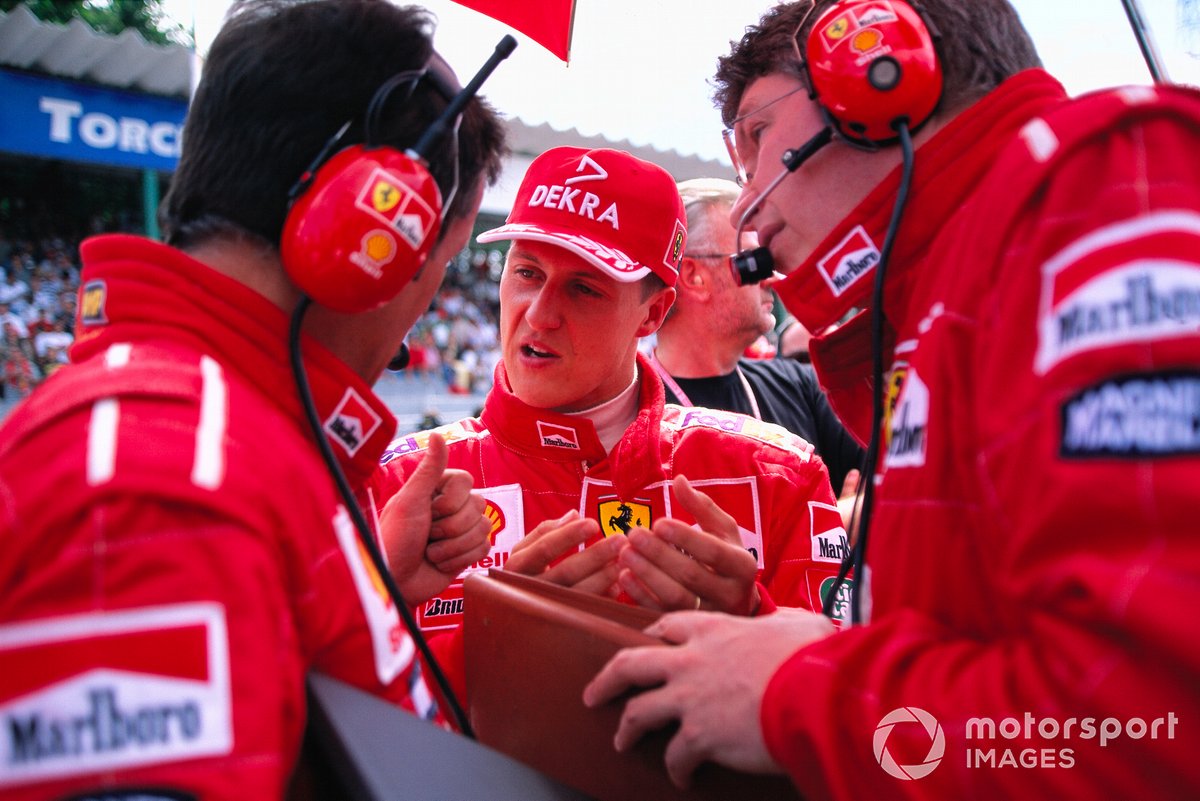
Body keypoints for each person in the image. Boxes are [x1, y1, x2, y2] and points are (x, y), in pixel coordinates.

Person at [585, 1, 1200, 798]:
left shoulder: (1098, 189)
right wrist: (787, 650)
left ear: (879, 81)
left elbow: (1149, 723)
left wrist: (798, 691)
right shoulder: (958, 286)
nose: (746, 208)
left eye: (757, 142)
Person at [0, 2, 507, 798]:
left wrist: (362, 582)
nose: (422, 312)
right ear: (383, 234)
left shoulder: (212, 449)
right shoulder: (167, 489)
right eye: (442, 259)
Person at [371, 145, 847, 704]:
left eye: (584, 288)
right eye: (526, 272)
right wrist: (484, 659)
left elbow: (858, 720)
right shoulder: (398, 486)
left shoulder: (776, 475)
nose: (540, 313)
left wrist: (748, 627)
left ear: (653, 311)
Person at [651, 177, 863, 496]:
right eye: (755, 262)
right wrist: (833, 522)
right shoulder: (633, 406)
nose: (773, 278)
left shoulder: (802, 386)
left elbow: (894, 487)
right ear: (694, 276)